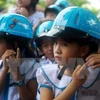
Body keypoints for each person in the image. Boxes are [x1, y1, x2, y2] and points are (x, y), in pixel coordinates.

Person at [36, 6, 100, 100]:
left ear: (83, 50)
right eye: (56, 43)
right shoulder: (48, 74)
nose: (57, 50)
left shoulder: (97, 74)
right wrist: (74, 84)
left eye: (64, 44)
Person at [0, 13, 40, 100]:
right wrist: (4, 69)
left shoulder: (33, 67)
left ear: (13, 45)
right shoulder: (0, 63)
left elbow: (30, 98)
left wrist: (17, 74)